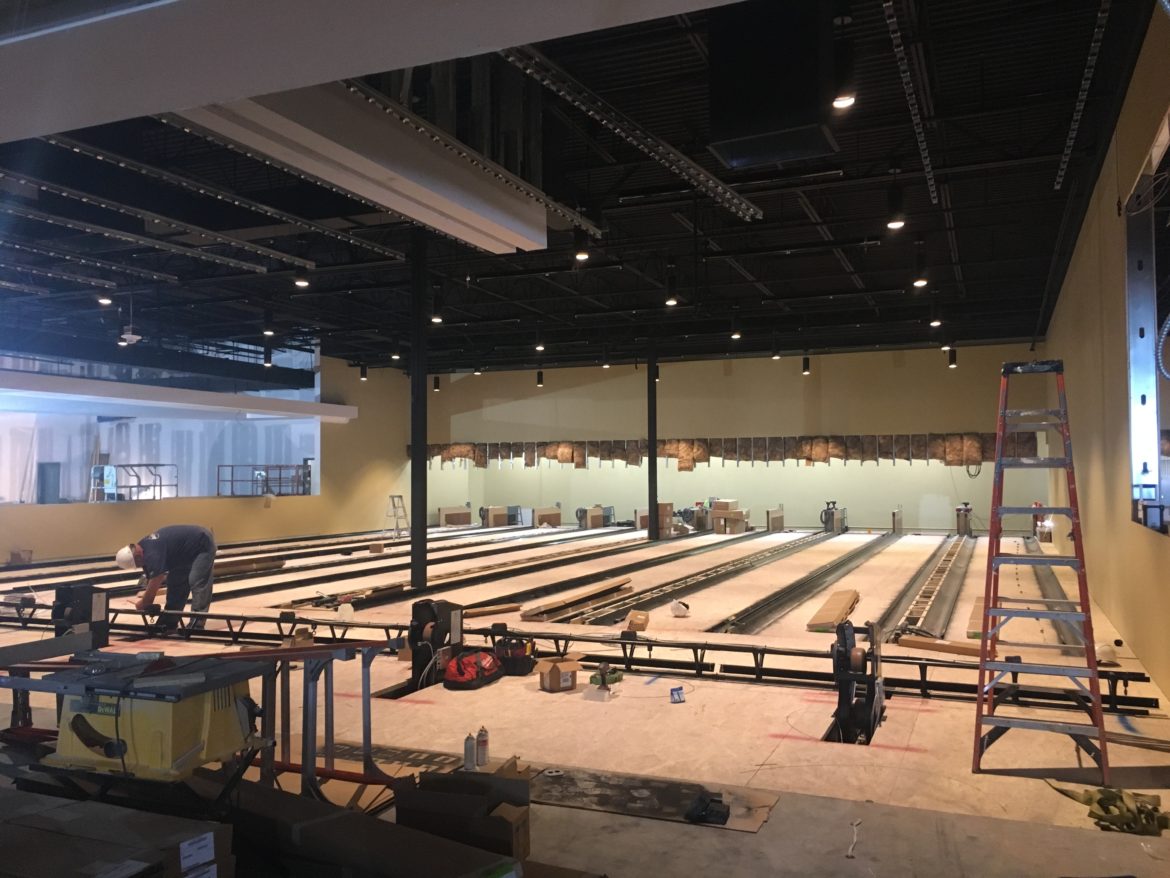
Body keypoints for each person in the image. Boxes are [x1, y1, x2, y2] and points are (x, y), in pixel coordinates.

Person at [115, 525, 216, 631]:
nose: (139, 566)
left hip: (201, 543)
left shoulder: (151, 553)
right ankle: (169, 620)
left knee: (197, 580)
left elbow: (157, 578)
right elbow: (151, 578)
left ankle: (197, 624)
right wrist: (146, 600)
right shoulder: (143, 549)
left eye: (137, 564)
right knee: (175, 583)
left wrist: (144, 602)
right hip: (183, 553)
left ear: (137, 558)